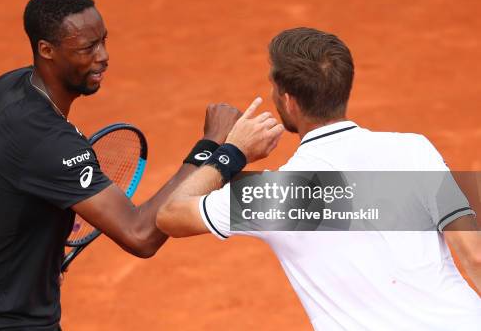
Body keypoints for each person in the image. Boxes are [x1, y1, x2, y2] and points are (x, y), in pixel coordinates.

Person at [0, 0, 244, 330]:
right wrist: (209, 145)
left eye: (104, 40)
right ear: (47, 50)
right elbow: (141, 235)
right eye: (88, 48)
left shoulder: (7, 87)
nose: (103, 56)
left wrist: (29, 251)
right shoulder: (52, 143)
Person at [156, 27, 481, 330]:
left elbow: (171, 214)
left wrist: (232, 152)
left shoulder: (279, 195)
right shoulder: (415, 149)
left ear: (288, 101)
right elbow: (475, 256)